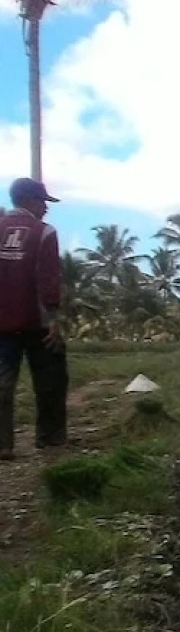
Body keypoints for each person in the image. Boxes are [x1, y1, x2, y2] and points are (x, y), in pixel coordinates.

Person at [0, 178, 66, 461]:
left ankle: (3, 445)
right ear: (29, 201)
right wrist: (53, 316)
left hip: (2, 325)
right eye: (43, 202)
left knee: (2, 384)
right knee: (51, 378)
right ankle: (49, 438)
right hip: (37, 322)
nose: (46, 209)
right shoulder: (44, 232)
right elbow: (48, 278)